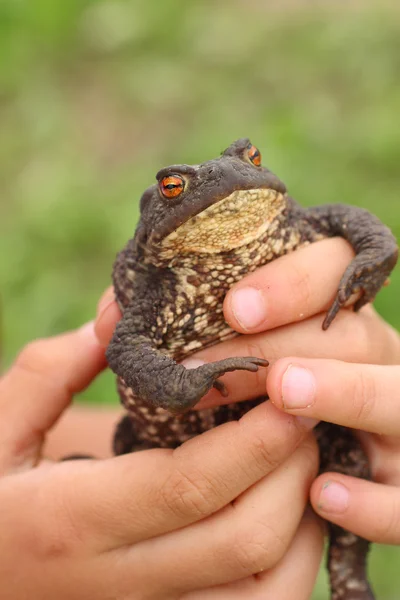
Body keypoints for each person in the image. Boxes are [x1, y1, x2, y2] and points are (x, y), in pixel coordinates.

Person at [1, 238, 399, 599]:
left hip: (289, 418)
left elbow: (350, 228)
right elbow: (125, 347)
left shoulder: (280, 225)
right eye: (175, 187)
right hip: (169, 424)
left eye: (253, 157)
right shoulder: (156, 274)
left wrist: (373, 247)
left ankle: (348, 579)